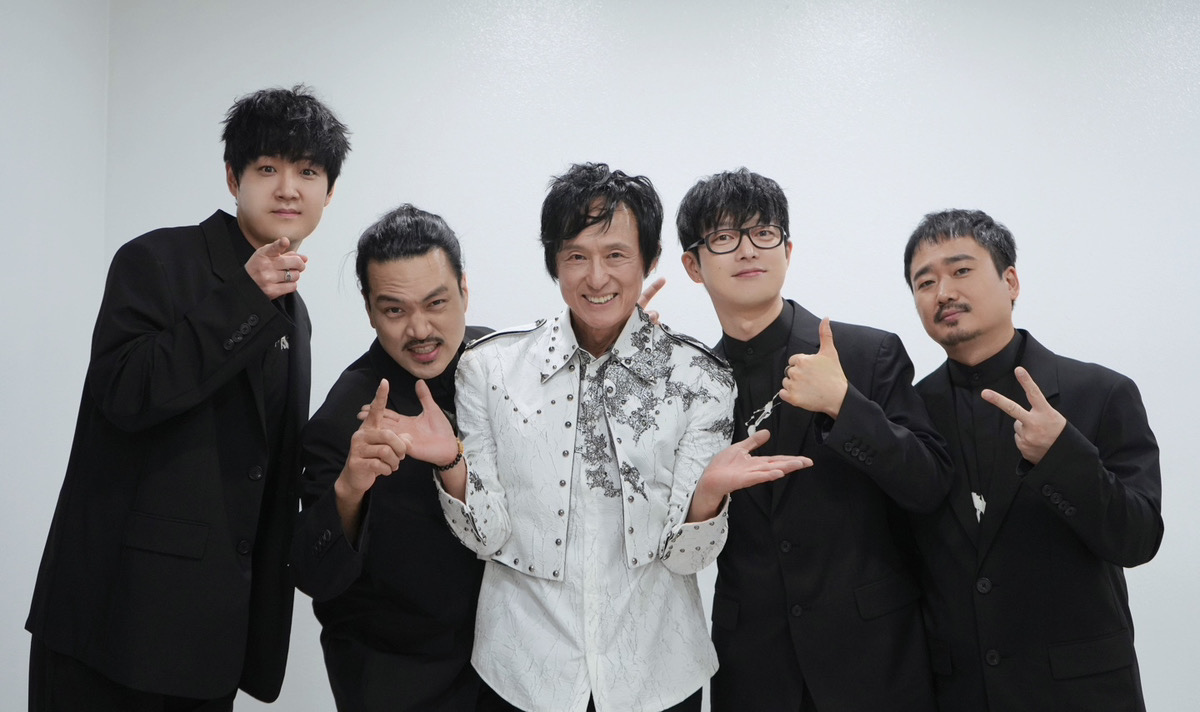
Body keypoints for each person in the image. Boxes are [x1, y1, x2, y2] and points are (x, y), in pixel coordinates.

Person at [383, 163, 810, 712]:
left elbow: (687, 560)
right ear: (554, 263)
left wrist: (707, 498)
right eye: (576, 257)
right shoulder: (489, 369)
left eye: (616, 255)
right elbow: (486, 537)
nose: (597, 277)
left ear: (649, 260)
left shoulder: (698, 379)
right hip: (521, 673)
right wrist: (452, 465)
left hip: (657, 675)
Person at [26, 85, 350, 710]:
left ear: (329, 192)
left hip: (209, 642)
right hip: (112, 624)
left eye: (308, 172)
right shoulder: (155, 259)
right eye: (267, 168)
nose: (288, 189)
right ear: (233, 178)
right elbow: (125, 394)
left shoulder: (296, 313)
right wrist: (244, 299)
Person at [676, 168, 953, 711]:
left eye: (764, 232)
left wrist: (844, 405)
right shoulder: (685, 384)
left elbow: (929, 484)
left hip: (874, 661)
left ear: (787, 248)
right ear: (693, 265)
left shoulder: (867, 353)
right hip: (753, 671)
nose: (747, 250)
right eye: (724, 237)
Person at [902, 209, 1163, 712]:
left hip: (1080, 694)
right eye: (925, 282)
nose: (943, 293)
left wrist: (1063, 454)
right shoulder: (910, 413)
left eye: (961, 270)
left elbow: (1138, 539)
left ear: (1011, 282)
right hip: (959, 694)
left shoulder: (1101, 392)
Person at [292, 204, 492, 711]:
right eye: (395, 310)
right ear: (369, 309)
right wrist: (349, 489)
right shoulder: (344, 416)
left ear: (464, 291)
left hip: (512, 674)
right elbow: (314, 576)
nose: (420, 330)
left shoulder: (507, 366)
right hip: (399, 682)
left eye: (436, 303)